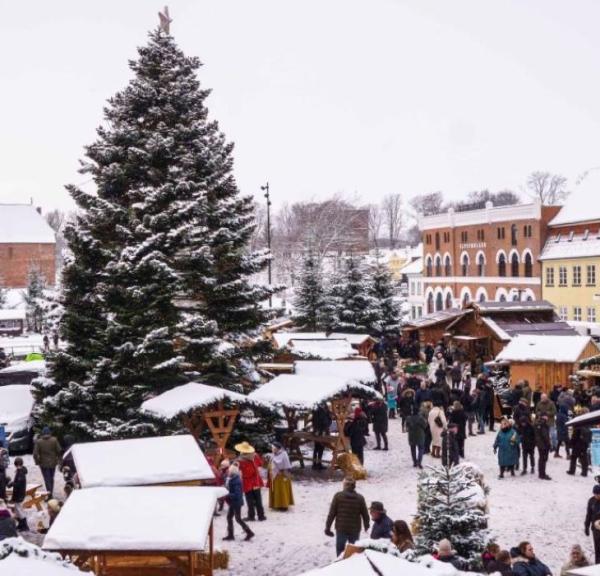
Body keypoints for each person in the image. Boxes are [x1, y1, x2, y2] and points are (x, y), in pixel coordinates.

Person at [324, 477, 369, 556]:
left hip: (341, 528)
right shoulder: (360, 498)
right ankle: (351, 565)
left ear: (344, 485)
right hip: (355, 529)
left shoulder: (338, 496)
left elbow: (332, 514)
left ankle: (340, 565)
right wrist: (366, 525)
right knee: (353, 550)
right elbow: (365, 514)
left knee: (340, 550)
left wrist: (328, 527)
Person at [235, 441, 266, 522]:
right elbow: (260, 464)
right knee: (258, 499)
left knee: (250, 499)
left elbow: (237, 470)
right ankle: (261, 515)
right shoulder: (255, 456)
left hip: (247, 482)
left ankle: (251, 516)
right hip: (256, 481)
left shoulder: (240, 460)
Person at [223, 463, 254, 541]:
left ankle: (249, 532)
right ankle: (231, 535)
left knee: (238, 518)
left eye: (229, 471)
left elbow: (237, 494)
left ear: (232, 472)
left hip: (236, 502)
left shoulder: (236, 481)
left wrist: (227, 494)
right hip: (233, 502)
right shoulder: (232, 479)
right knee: (229, 517)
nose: (228, 472)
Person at [33, 427, 62, 498]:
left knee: (47, 479)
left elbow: (35, 454)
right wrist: (59, 460)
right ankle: (50, 492)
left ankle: (49, 494)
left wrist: (37, 462)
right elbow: (59, 450)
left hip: (43, 463)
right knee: (51, 478)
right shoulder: (54, 440)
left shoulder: (39, 442)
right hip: (53, 462)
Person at [269, 442, 294, 511]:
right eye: (272, 448)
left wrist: (284, 473)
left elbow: (287, 465)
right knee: (277, 490)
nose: (272, 449)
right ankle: (276, 504)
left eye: (273, 448)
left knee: (282, 491)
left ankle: (284, 505)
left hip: (282, 475)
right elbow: (271, 463)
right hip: (275, 475)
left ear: (277, 448)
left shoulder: (284, 454)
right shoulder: (273, 455)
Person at [312, 402, 333, 469]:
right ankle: (318, 464)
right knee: (320, 448)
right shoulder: (323, 412)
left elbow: (313, 421)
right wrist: (330, 418)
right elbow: (326, 423)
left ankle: (315, 464)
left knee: (316, 448)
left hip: (316, 432)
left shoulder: (316, 411)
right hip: (322, 432)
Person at [11, 457, 28, 531]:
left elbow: (18, 484)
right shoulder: (21, 471)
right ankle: (21, 524)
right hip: (19, 494)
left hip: (19, 494)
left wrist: (12, 483)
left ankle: (24, 525)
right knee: (17, 510)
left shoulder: (20, 472)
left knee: (19, 510)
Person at [585, 485, 600, 563]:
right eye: (595, 494)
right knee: (597, 548)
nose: (597, 496)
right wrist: (586, 526)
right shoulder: (591, 501)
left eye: (598, 494)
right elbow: (589, 515)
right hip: (596, 529)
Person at [534, 414, 552, 480]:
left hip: (539, 444)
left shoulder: (537, 423)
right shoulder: (543, 424)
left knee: (541, 458)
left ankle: (541, 473)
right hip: (543, 444)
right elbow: (545, 436)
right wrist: (549, 444)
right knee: (543, 459)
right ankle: (542, 474)